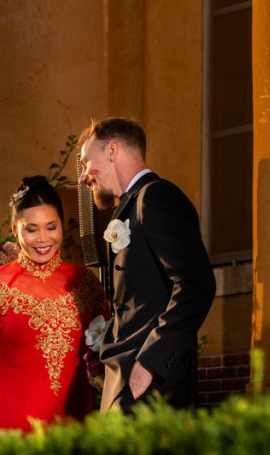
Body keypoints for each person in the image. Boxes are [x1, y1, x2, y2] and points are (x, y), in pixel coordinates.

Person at [0, 175, 109, 449]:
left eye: (51, 227)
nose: (43, 239)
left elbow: (107, 352)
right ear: (16, 231)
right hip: (11, 426)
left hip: (74, 425)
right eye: (31, 229)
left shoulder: (85, 283)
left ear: (62, 226)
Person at [78, 117, 216, 413]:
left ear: (112, 151)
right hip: (125, 378)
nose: (83, 177)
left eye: (86, 163)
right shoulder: (131, 205)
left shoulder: (156, 197)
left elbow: (196, 284)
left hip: (150, 386)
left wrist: (150, 364)